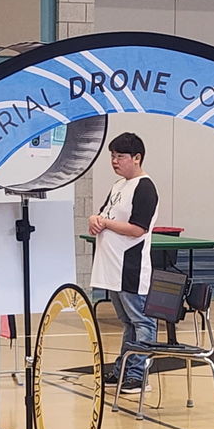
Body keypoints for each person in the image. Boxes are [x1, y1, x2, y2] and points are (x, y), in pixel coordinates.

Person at [88, 132, 159, 393]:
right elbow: (105, 214)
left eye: (120, 156)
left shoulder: (145, 187)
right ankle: (123, 370)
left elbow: (138, 228)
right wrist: (95, 219)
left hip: (130, 267)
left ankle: (139, 375)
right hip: (111, 266)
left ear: (137, 158)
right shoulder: (119, 186)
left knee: (142, 321)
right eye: (112, 156)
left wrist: (106, 223)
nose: (114, 161)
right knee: (128, 322)